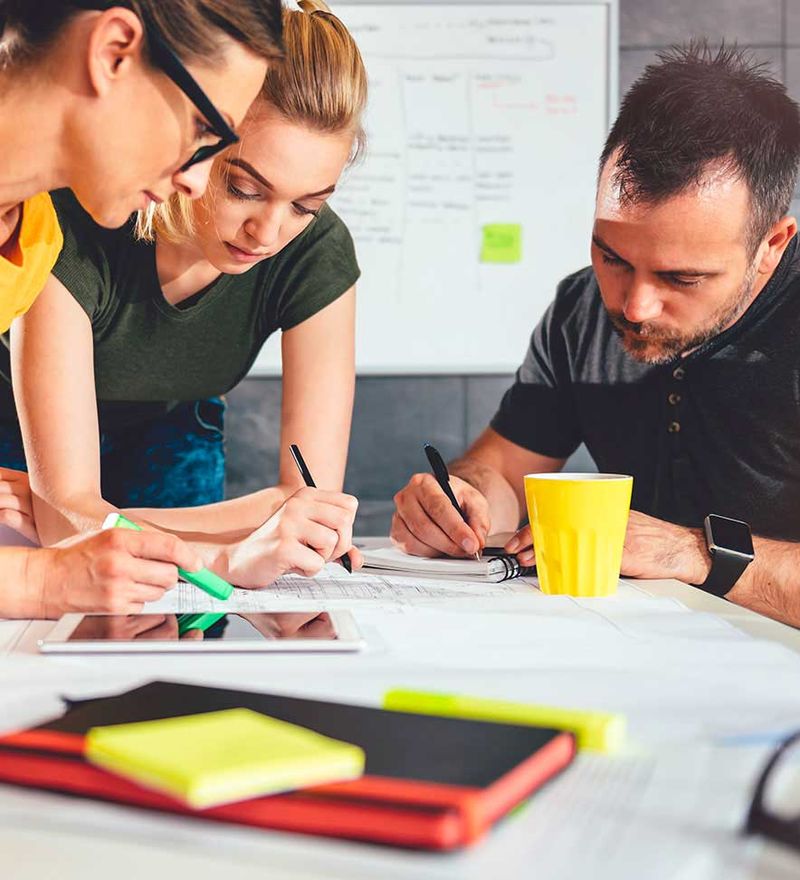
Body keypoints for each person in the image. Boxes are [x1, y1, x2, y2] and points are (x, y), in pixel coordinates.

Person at [391, 44, 800, 627]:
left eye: (681, 278)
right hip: (631, 648)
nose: (634, 306)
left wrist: (692, 553)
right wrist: (461, 499)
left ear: (772, 246)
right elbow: (502, 472)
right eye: (612, 257)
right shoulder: (581, 310)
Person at [0, 1, 365, 589]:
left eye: (306, 206)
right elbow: (64, 524)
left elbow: (306, 515)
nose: (268, 234)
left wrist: (76, 525)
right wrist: (234, 537)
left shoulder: (315, 250)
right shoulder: (58, 223)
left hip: (168, 430)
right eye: (242, 186)